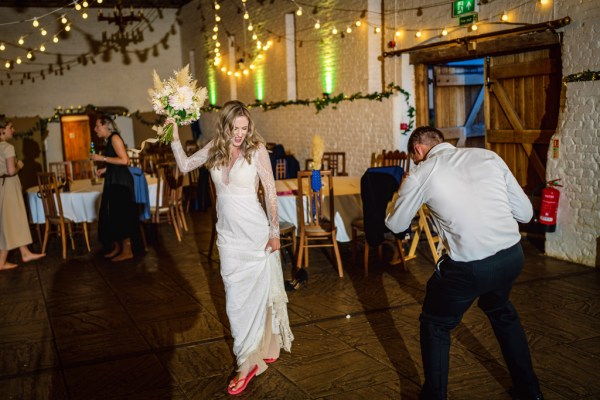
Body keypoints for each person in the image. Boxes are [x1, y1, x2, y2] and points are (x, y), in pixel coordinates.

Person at [385, 126, 543, 400]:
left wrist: (402, 189)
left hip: (470, 268)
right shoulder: (488, 157)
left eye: (415, 157)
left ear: (418, 151)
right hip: (512, 256)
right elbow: (526, 214)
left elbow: (396, 224)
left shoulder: (423, 172)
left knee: (435, 324)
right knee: (502, 311)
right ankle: (531, 392)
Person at [168, 100, 293, 395]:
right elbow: (185, 165)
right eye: (235, 128)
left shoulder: (257, 149)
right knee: (236, 299)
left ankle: (247, 361)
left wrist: (274, 233)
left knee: (260, 290)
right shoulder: (214, 147)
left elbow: (271, 192)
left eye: (244, 128)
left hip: (255, 233)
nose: (239, 134)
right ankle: (255, 348)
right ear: (225, 126)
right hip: (228, 236)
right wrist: (174, 134)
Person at [91, 114, 138, 262]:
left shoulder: (115, 138)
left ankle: (128, 250)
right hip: (114, 178)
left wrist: (102, 159)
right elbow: (116, 160)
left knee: (121, 213)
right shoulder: (109, 140)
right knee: (113, 214)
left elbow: (125, 160)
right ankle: (118, 248)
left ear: (107, 126)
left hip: (121, 181)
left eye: (98, 126)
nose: (95, 129)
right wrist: (105, 170)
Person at [0, 116, 45, 270]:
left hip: (1, 186)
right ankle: (3, 261)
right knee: (14, 218)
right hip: (9, 186)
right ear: (1, 130)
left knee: (10, 220)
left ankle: (24, 252)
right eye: (10, 127)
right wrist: (19, 165)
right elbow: (12, 171)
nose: (13, 130)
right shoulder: (7, 147)